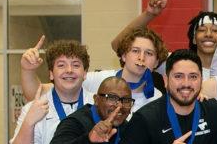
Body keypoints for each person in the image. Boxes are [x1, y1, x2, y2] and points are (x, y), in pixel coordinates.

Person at [22, 27, 168, 112]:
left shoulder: (156, 99)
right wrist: (27, 69)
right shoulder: (100, 80)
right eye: (135, 51)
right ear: (124, 55)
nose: (141, 57)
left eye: (149, 53)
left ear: (156, 62)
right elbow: (37, 93)